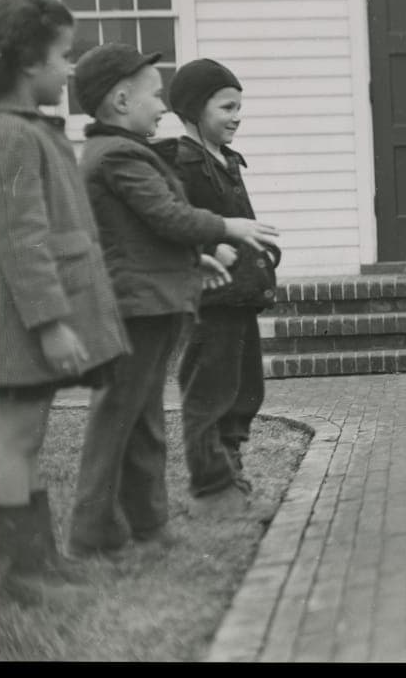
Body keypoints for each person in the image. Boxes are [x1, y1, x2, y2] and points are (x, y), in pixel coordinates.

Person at [65, 43, 279, 556]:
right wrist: (223, 229)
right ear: (120, 100)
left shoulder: (127, 152)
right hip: (140, 305)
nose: (162, 108)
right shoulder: (119, 155)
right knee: (124, 417)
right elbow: (167, 217)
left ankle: (145, 525)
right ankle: (95, 531)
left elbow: (149, 232)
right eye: (154, 96)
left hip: (161, 300)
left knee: (143, 421)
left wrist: (194, 260)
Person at [0, 0, 130, 599]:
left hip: (29, 321)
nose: (70, 69)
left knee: (30, 433)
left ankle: (38, 562)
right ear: (27, 62)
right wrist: (52, 322)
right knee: (15, 436)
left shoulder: (28, 128)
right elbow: (21, 238)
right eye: (64, 56)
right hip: (21, 323)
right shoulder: (10, 136)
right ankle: (19, 574)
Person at [156, 59, 280, 514]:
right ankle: (211, 488)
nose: (236, 116)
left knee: (245, 388)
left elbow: (241, 220)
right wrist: (211, 247)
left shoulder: (226, 160)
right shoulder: (182, 164)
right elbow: (176, 225)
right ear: (193, 109)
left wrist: (264, 255)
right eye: (226, 106)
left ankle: (231, 469)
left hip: (241, 295)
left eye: (239, 107)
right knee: (210, 390)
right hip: (210, 300)